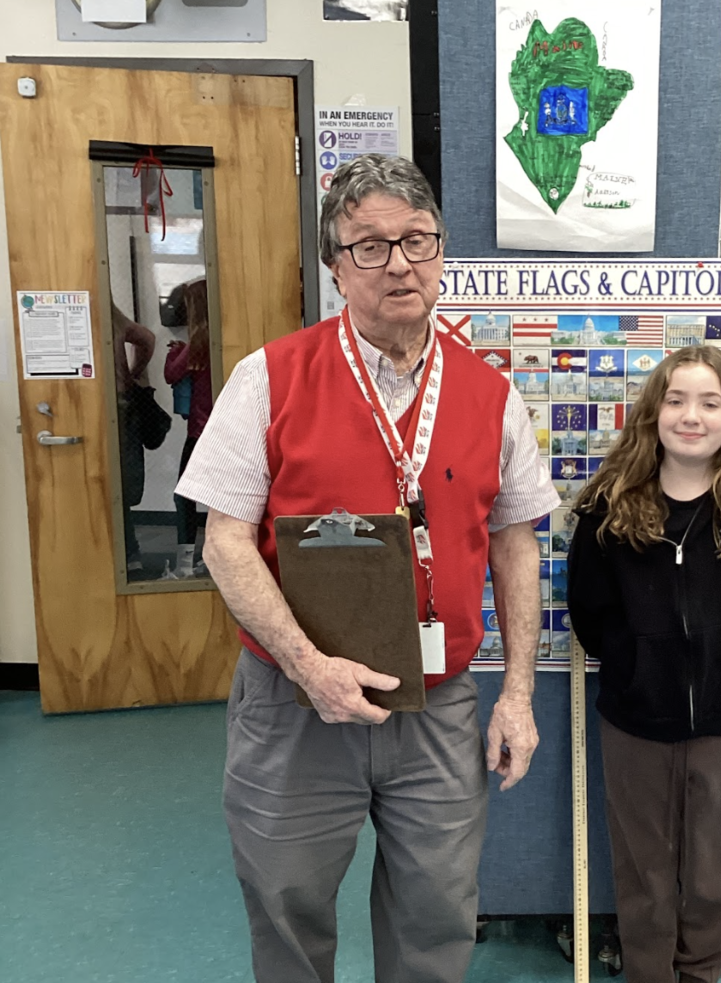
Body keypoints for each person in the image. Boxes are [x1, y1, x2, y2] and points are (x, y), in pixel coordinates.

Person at [175, 153, 560, 983]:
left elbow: (515, 538)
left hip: (439, 705)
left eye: (417, 241)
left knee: (438, 912)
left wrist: (519, 694)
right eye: (371, 246)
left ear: (442, 251)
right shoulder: (268, 378)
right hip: (296, 705)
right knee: (287, 905)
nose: (400, 264)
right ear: (335, 266)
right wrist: (309, 667)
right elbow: (225, 541)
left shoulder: (491, 394)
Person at [567, 346, 721, 983]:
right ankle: (649, 972)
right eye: (676, 400)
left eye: (710, 402)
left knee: (717, 867)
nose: (691, 416)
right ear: (653, 413)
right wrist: (631, 664)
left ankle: (700, 968)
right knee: (644, 865)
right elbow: (590, 610)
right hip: (636, 720)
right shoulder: (608, 506)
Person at [163, 278, 212, 578]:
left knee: (184, 498)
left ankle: (184, 566)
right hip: (224, 432)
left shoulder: (197, 342)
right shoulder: (218, 339)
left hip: (198, 432)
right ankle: (218, 556)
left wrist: (174, 353)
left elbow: (171, 374)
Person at [112, 305, 155, 575]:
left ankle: (116, 553)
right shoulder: (111, 315)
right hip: (121, 406)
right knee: (121, 486)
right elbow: (147, 338)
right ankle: (130, 554)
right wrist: (133, 373)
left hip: (96, 410)